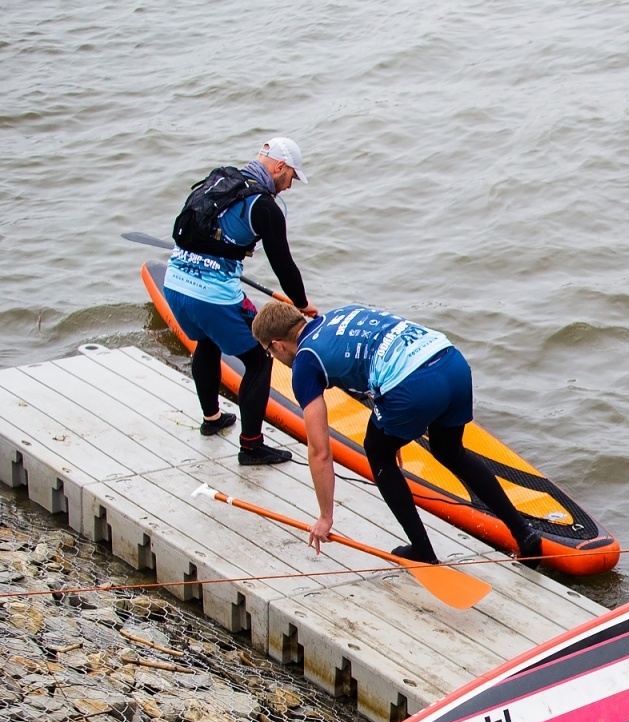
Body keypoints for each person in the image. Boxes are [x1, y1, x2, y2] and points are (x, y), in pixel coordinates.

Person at [249, 300, 543, 567]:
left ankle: (423, 552)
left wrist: (326, 517)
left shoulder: (306, 362)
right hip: (451, 362)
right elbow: (368, 358)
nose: (273, 358)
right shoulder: (340, 313)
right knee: (449, 450)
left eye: (268, 352)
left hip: (414, 386)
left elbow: (320, 451)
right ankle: (525, 536)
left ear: (278, 344)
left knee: (378, 454)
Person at [164, 137, 319, 464]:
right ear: (279, 166)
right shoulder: (264, 206)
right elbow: (284, 266)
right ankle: (251, 446)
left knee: (207, 342)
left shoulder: (218, 182)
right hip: (213, 298)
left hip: (175, 284)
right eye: (291, 177)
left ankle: (212, 420)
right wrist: (302, 303)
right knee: (260, 359)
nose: (290, 186)